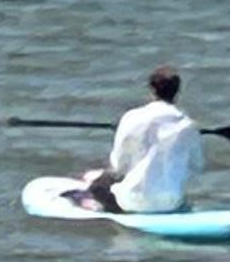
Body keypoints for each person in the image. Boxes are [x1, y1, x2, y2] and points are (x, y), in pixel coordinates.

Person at [71, 67, 200, 216]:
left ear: (152, 90)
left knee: (100, 183)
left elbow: (118, 165)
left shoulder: (131, 117)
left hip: (132, 201)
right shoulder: (189, 125)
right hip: (171, 202)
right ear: (177, 93)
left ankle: (92, 203)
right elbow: (195, 167)